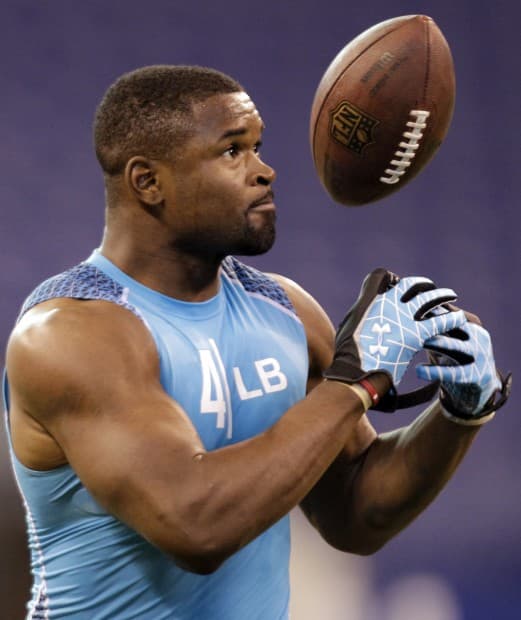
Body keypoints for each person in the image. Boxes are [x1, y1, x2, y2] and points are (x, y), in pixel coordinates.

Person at [3, 65, 510, 620]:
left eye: (257, 147)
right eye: (231, 151)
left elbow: (356, 512)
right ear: (148, 182)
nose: (265, 171)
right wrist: (355, 383)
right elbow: (195, 526)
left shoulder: (285, 310)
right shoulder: (70, 335)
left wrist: (459, 414)